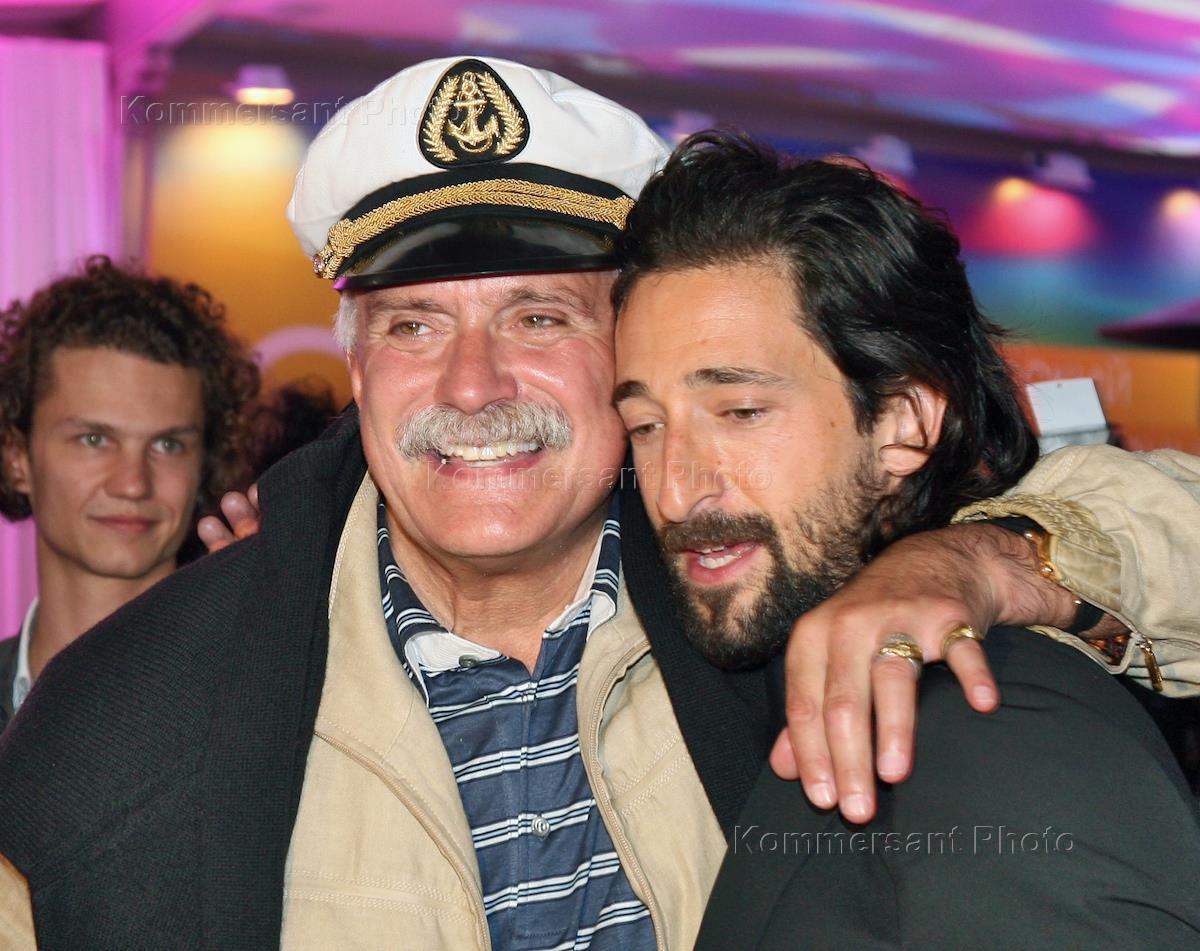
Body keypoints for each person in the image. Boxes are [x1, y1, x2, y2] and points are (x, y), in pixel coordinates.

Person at [0, 58, 1198, 949]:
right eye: (415, 326)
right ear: (356, 366)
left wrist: (979, 561)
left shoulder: (762, 582)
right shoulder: (130, 718)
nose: (473, 387)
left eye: (538, 317)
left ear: (621, 352)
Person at [609, 131, 1200, 948]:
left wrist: (994, 554)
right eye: (644, 425)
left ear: (904, 423)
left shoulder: (998, 726)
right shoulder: (746, 651)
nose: (675, 491)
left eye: (740, 412)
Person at [0, 256, 259, 729]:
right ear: (18, 459)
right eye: (94, 439)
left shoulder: (257, 701)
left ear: (204, 462)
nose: (133, 483)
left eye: (167, 445)